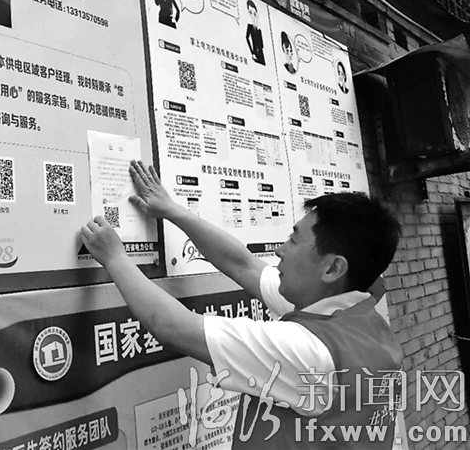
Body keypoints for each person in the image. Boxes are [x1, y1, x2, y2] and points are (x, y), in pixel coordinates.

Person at [81, 160, 402, 448]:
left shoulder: (311, 354)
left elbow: (172, 326)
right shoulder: (353, 318)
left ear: (332, 269)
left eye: (293, 240)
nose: (280, 250)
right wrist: (171, 210)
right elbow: (242, 264)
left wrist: (115, 257)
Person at [245, 0, 265, 65]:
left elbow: (262, 45)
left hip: (261, 55)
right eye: (250, 13)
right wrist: (252, 53)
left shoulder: (259, 29)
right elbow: (247, 38)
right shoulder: (250, 27)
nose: (253, 16)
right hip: (255, 54)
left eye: (254, 13)